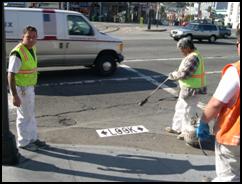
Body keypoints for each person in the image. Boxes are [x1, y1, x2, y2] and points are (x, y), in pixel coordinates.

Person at [196, 23, 240, 182]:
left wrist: (203, 122)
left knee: (229, 177)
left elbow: (216, 103)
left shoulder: (236, 71)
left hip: (234, 138)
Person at [8, 26, 47, 151]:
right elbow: (11, 75)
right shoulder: (17, 53)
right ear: (23, 37)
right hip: (21, 89)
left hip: (29, 87)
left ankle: (33, 138)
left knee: (30, 114)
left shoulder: (32, 48)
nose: (31, 39)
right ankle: (24, 142)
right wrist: (14, 95)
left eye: (34, 37)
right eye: (28, 37)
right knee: (23, 116)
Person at [165, 38, 207, 140]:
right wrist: (176, 74)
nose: (181, 52)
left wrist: (175, 75)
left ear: (187, 48)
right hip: (186, 88)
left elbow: (186, 74)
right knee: (180, 108)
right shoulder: (191, 55)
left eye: (182, 49)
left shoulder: (193, 57)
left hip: (193, 89)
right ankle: (177, 128)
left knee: (188, 112)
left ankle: (186, 132)